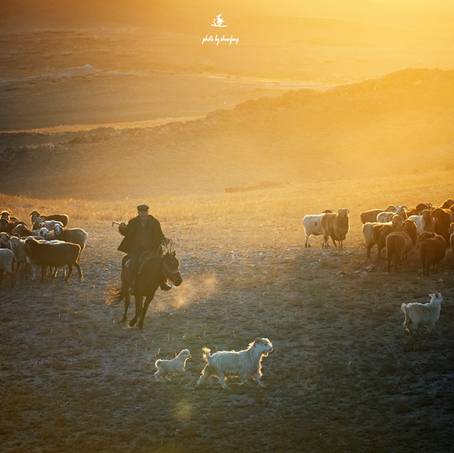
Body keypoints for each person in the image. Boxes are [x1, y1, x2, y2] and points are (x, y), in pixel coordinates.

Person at [118, 204, 171, 292]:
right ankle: (133, 284)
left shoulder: (154, 222)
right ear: (138, 213)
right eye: (141, 213)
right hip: (136, 249)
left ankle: (163, 283)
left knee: (161, 263)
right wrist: (121, 228)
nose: (143, 215)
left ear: (147, 212)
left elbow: (159, 234)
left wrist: (164, 240)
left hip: (152, 249)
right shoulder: (133, 222)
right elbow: (126, 232)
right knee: (133, 263)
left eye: (144, 213)